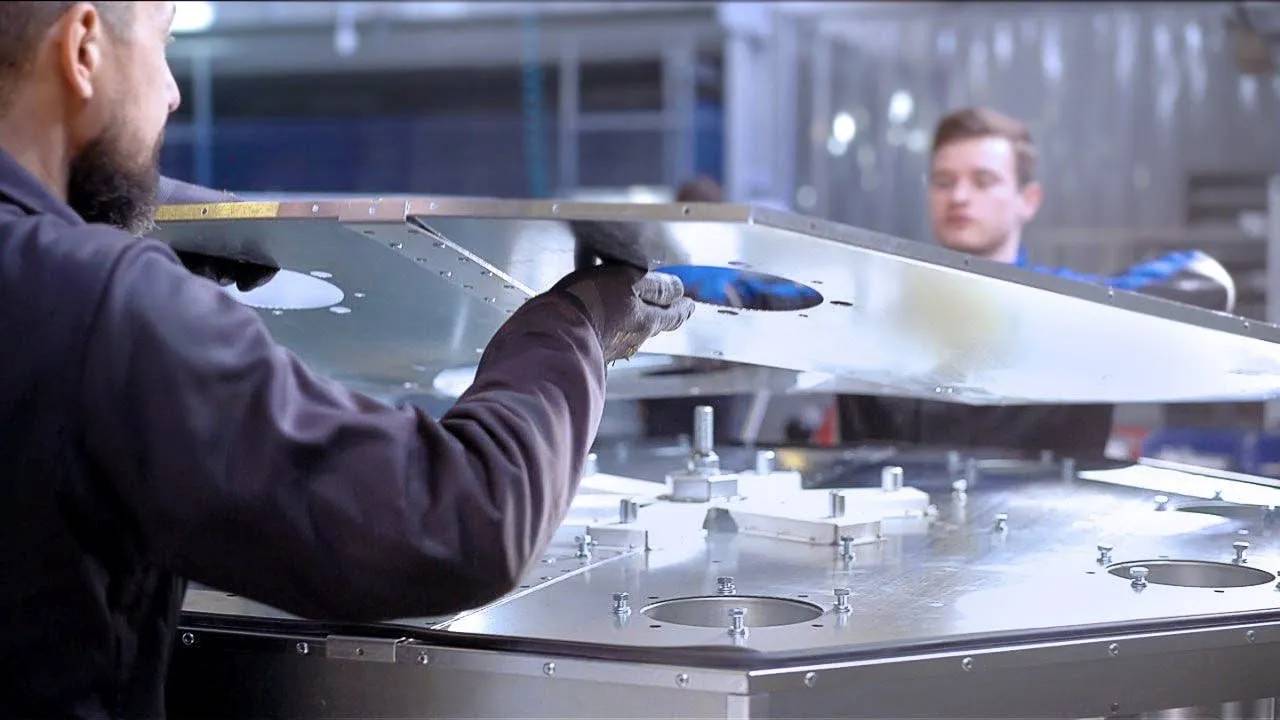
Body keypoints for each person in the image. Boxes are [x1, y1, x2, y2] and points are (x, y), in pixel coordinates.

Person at [0, 3, 693, 717]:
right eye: (162, 41)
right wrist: (577, 326)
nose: (173, 92)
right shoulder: (106, 307)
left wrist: (134, 221)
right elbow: (462, 521)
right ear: (83, 48)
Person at [837, 107, 1233, 457]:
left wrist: (1070, 313)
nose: (959, 196)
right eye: (943, 181)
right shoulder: (885, 312)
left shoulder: (1069, 303)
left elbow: (1209, 280)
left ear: (1027, 200)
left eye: (983, 181)